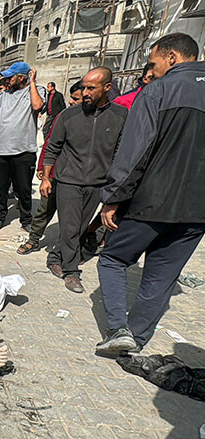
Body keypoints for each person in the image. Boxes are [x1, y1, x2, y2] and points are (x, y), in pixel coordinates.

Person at [95, 33, 205, 355]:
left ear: (172, 57)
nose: (151, 70)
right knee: (162, 276)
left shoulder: (158, 90)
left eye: (153, 63)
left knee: (113, 259)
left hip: (151, 202)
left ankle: (119, 330)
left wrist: (113, 197)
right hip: (198, 211)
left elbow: (134, 152)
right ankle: (137, 340)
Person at [39, 68, 128, 294]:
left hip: (97, 183)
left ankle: (55, 256)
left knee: (80, 226)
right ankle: (71, 272)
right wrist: (46, 178)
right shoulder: (68, 116)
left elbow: (121, 152)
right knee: (70, 226)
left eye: (91, 88)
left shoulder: (120, 116)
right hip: (68, 180)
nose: (85, 92)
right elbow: (52, 148)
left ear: (107, 87)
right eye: (84, 87)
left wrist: (114, 183)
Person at [18, 80, 84, 256]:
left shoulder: (95, 122)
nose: (71, 102)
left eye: (76, 99)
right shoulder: (64, 117)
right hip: (56, 172)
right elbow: (50, 144)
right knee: (45, 208)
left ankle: (66, 249)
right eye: (72, 98)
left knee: (71, 215)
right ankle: (33, 239)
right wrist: (43, 168)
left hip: (77, 177)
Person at [0, 61, 47, 232]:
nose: (7, 80)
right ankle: (0, 217)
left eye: (11, 77)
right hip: (1, 151)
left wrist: (32, 82)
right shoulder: (3, 96)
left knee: (24, 189)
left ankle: (26, 219)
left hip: (24, 151)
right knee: (1, 189)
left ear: (21, 77)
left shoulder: (37, 90)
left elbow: (37, 106)